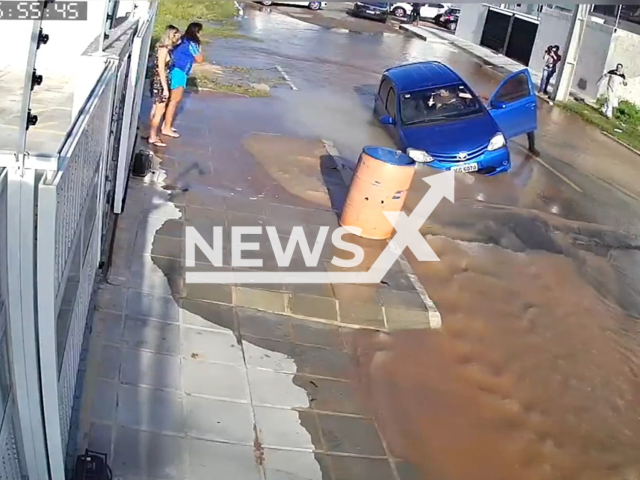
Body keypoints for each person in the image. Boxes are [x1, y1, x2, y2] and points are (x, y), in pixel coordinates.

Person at [162, 22, 204, 137]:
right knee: (174, 101)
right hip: (180, 72)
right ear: (197, 32)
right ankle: (166, 127)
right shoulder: (192, 44)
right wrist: (200, 48)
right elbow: (199, 59)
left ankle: (166, 123)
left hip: (173, 70)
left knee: (170, 100)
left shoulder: (181, 40)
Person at [148, 25, 181, 147]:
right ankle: (152, 136)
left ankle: (152, 133)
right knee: (159, 110)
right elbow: (161, 69)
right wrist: (165, 88)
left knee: (155, 108)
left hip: (157, 80)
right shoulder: (164, 51)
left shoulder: (161, 48)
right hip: (161, 82)